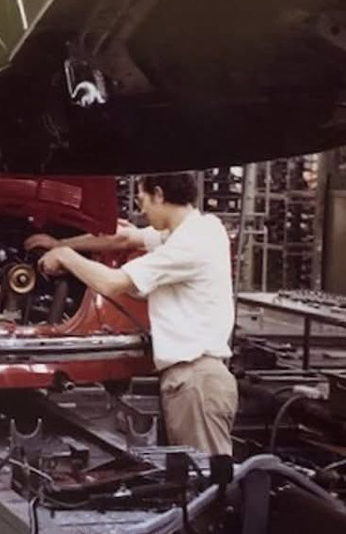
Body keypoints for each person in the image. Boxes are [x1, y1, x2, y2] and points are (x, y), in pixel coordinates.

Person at [30, 172, 238, 455]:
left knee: (207, 481)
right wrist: (61, 245)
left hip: (196, 382)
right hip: (193, 379)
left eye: (142, 200)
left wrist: (66, 257)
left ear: (160, 194)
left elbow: (113, 283)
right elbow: (123, 238)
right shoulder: (201, 228)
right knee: (192, 478)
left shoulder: (190, 243)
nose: (141, 210)